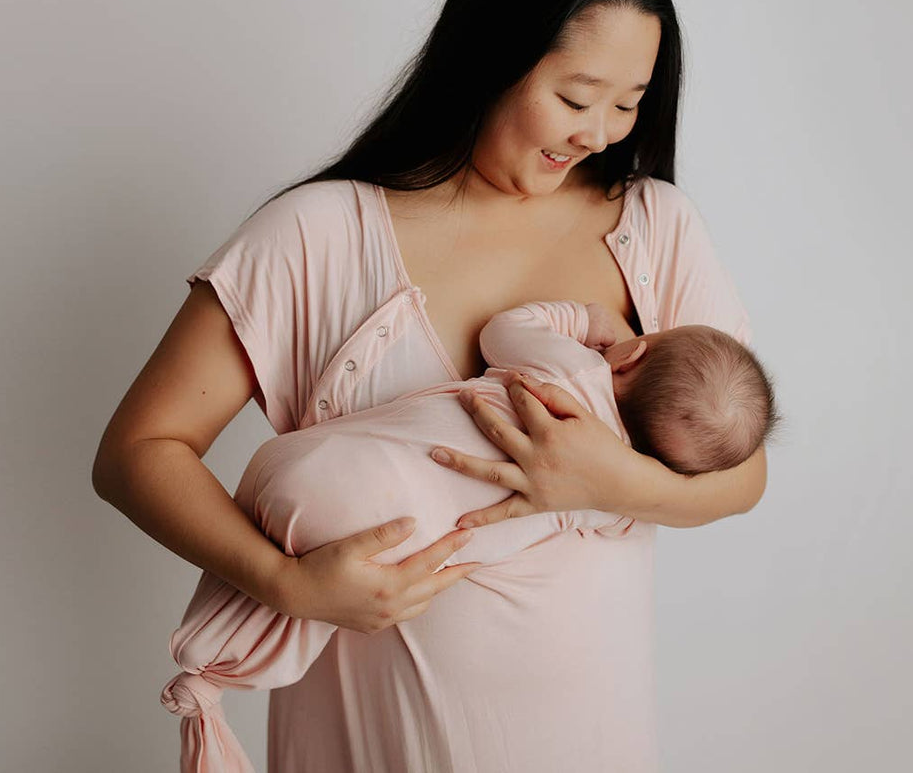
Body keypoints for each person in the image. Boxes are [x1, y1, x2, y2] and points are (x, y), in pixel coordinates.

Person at [92, 0, 770, 771]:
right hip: (372, 738)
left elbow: (742, 473)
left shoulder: (654, 228)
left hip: (590, 734)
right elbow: (138, 450)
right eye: (575, 95)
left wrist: (614, 481)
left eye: (628, 103)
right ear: (491, 57)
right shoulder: (320, 234)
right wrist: (285, 584)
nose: (598, 133)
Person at [157, 298, 779, 771]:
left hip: (316, 467)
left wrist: (584, 317)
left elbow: (501, 333)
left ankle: (208, 674)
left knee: (294, 547)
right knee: (310, 603)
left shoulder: (571, 372)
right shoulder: (596, 504)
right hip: (374, 538)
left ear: (633, 355)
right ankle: (208, 681)